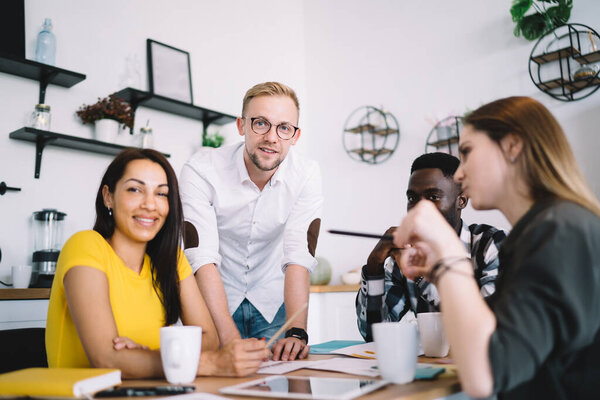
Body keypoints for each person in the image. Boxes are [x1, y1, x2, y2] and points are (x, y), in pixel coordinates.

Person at [393, 96, 600, 398]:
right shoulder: (540, 230)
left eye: (467, 152)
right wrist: (441, 269)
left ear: (512, 146)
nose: (460, 174)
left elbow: (485, 373)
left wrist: (450, 254)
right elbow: (491, 334)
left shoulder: (559, 231)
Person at [46, 149, 269, 379]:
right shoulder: (85, 245)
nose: (150, 205)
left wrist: (144, 359)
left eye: (161, 194)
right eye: (135, 189)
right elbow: (106, 359)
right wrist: (209, 364)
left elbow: (209, 340)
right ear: (108, 196)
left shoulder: (172, 260)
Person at [180, 82, 323, 361]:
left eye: (284, 128)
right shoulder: (201, 170)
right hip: (213, 300)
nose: (272, 137)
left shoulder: (306, 174)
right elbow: (201, 256)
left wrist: (297, 331)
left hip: (272, 301)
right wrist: (230, 339)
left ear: (295, 136)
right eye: (260, 123)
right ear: (241, 126)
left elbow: (299, 256)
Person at [356, 152, 507, 341]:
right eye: (412, 198)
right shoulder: (400, 256)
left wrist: (422, 275)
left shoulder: (490, 245)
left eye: (433, 197)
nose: (419, 208)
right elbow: (374, 336)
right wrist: (374, 266)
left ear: (461, 200)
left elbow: (486, 329)